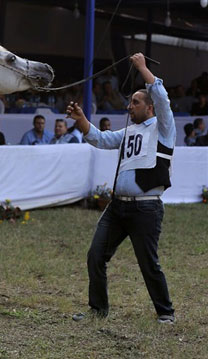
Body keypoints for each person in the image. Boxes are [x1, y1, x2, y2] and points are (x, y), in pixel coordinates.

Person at [67, 53, 176, 324]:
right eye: (130, 102)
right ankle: (98, 309)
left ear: (150, 108)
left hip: (146, 208)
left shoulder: (163, 128)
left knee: (148, 264)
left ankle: (165, 312)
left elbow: (161, 97)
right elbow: (101, 139)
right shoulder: (128, 132)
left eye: (135, 102)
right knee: (95, 256)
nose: (130, 107)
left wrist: (142, 68)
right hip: (118, 206)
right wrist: (81, 119)